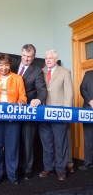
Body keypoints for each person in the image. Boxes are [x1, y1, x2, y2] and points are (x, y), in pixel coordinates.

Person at [0, 53, 27, 185]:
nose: (4, 68)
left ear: (10, 65)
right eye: (1, 65)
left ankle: (12, 174)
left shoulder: (18, 78)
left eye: (7, 65)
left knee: (12, 147)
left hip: (12, 118)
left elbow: (23, 96)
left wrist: (21, 100)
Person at [11, 44, 47, 180]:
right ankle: (14, 167)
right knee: (13, 141)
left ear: (34, 57)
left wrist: (38, 99)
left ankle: (27, 169)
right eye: (24, 56)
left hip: (28, 111)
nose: (26, 59)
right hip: (12, 111)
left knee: (27, 141)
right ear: (21, 54)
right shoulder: (13, 67)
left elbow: (42, 90)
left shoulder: (37, 71)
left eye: (29, 57)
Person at [39, 50, 73, 181]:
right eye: (46, 58)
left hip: (59, 114)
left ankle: (61, 170)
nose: (48, 60)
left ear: (56, 59)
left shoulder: (65, 72)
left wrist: (67, 114)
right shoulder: (40, 71)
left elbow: (68, 94)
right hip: (42, 114)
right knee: (46, 143)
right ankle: (48, 168)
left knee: (60, 143)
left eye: (50, 58)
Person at [79, 70, 93, 170]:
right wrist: (90, 100)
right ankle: (88, 162)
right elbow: (82, 88)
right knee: (88, 137)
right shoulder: (88, 73)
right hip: (88, 109)